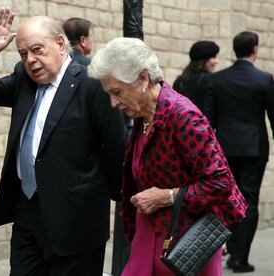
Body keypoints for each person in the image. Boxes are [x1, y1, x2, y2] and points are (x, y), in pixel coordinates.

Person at [0, 8, 126, 276]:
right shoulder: (24, 78)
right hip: (28, 213)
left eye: (37, 50)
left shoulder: (93, 85)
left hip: (76, 221)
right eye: (23, 53)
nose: (30, 60)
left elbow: (116, 149)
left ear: (60, 44)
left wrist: (113, 204)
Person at [88, 37, 247, 276]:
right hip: (152, 231)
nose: (113, 103)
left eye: (117, 92)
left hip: (187, 241)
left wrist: (166, 196)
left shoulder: (182, 115)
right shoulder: (144, 115)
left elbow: (220, 183)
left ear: (143, 78)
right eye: (109, 94)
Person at [204, 31, 274, 273]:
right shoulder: (264, 79)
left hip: (224, 148)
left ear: (234, 50)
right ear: (255, 48)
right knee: (249, 200)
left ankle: (230, 248)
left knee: (225, 198)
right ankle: (240, 257)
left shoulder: (218, 80)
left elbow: (208, 119)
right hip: (254, 147)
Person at [173, 40, 219, 112]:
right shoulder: (211, 80)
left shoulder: (180, 81)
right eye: (213, 57)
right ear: (204, 59)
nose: (216, 62)